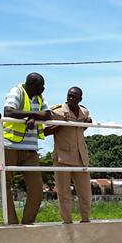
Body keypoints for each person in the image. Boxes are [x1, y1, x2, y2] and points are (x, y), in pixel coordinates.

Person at [2, 72, 52, 225]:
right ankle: (11, 222)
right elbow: (8, 111)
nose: (43, 89)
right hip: (10, 145)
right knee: (5, 184)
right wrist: (34, 114)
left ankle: (27, 223)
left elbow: (48, 114)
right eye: (40, 86)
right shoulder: (16, 91)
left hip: (30, 149)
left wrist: (34, 117)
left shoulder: (39, 97)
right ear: (31, 85)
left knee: (37, 188)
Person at [44, 87, 92, 224]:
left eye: (74, 96)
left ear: (80, 99)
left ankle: (86, 220)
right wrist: (61, 124)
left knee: (85, 193)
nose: (70, 98)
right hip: (62, 157)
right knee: (64, 193)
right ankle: (67, 222)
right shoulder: (57, 111)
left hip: (81, 157)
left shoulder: (84, 112)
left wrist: (87, 124)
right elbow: (45, 131)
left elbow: (79, 129)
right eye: (69, 96)